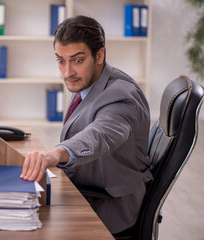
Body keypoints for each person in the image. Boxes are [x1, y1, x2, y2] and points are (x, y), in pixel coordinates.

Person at [20, 15, 153, 238]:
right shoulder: (90, 82)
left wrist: (56, 153)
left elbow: (100, 135)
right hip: (86, 187)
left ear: (99, 55)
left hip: (109, 206)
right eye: (61, 60)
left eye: (77, 60)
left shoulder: (121, 95)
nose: (67, 72)